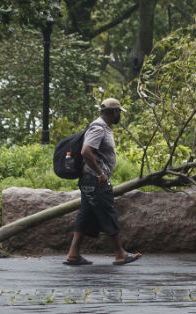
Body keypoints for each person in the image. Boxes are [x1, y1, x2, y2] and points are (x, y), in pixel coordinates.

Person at [64, 98, 142, 266]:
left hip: (89, 179)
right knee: (108, 212)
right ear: (113, 112)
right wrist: (100, 174)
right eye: (119, 112)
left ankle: (73, 254)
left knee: (85, 215)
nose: (120, 115)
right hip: (95, 180)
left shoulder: (102, 127)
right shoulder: (99, 128)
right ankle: (120, 254)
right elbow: (86, 151)